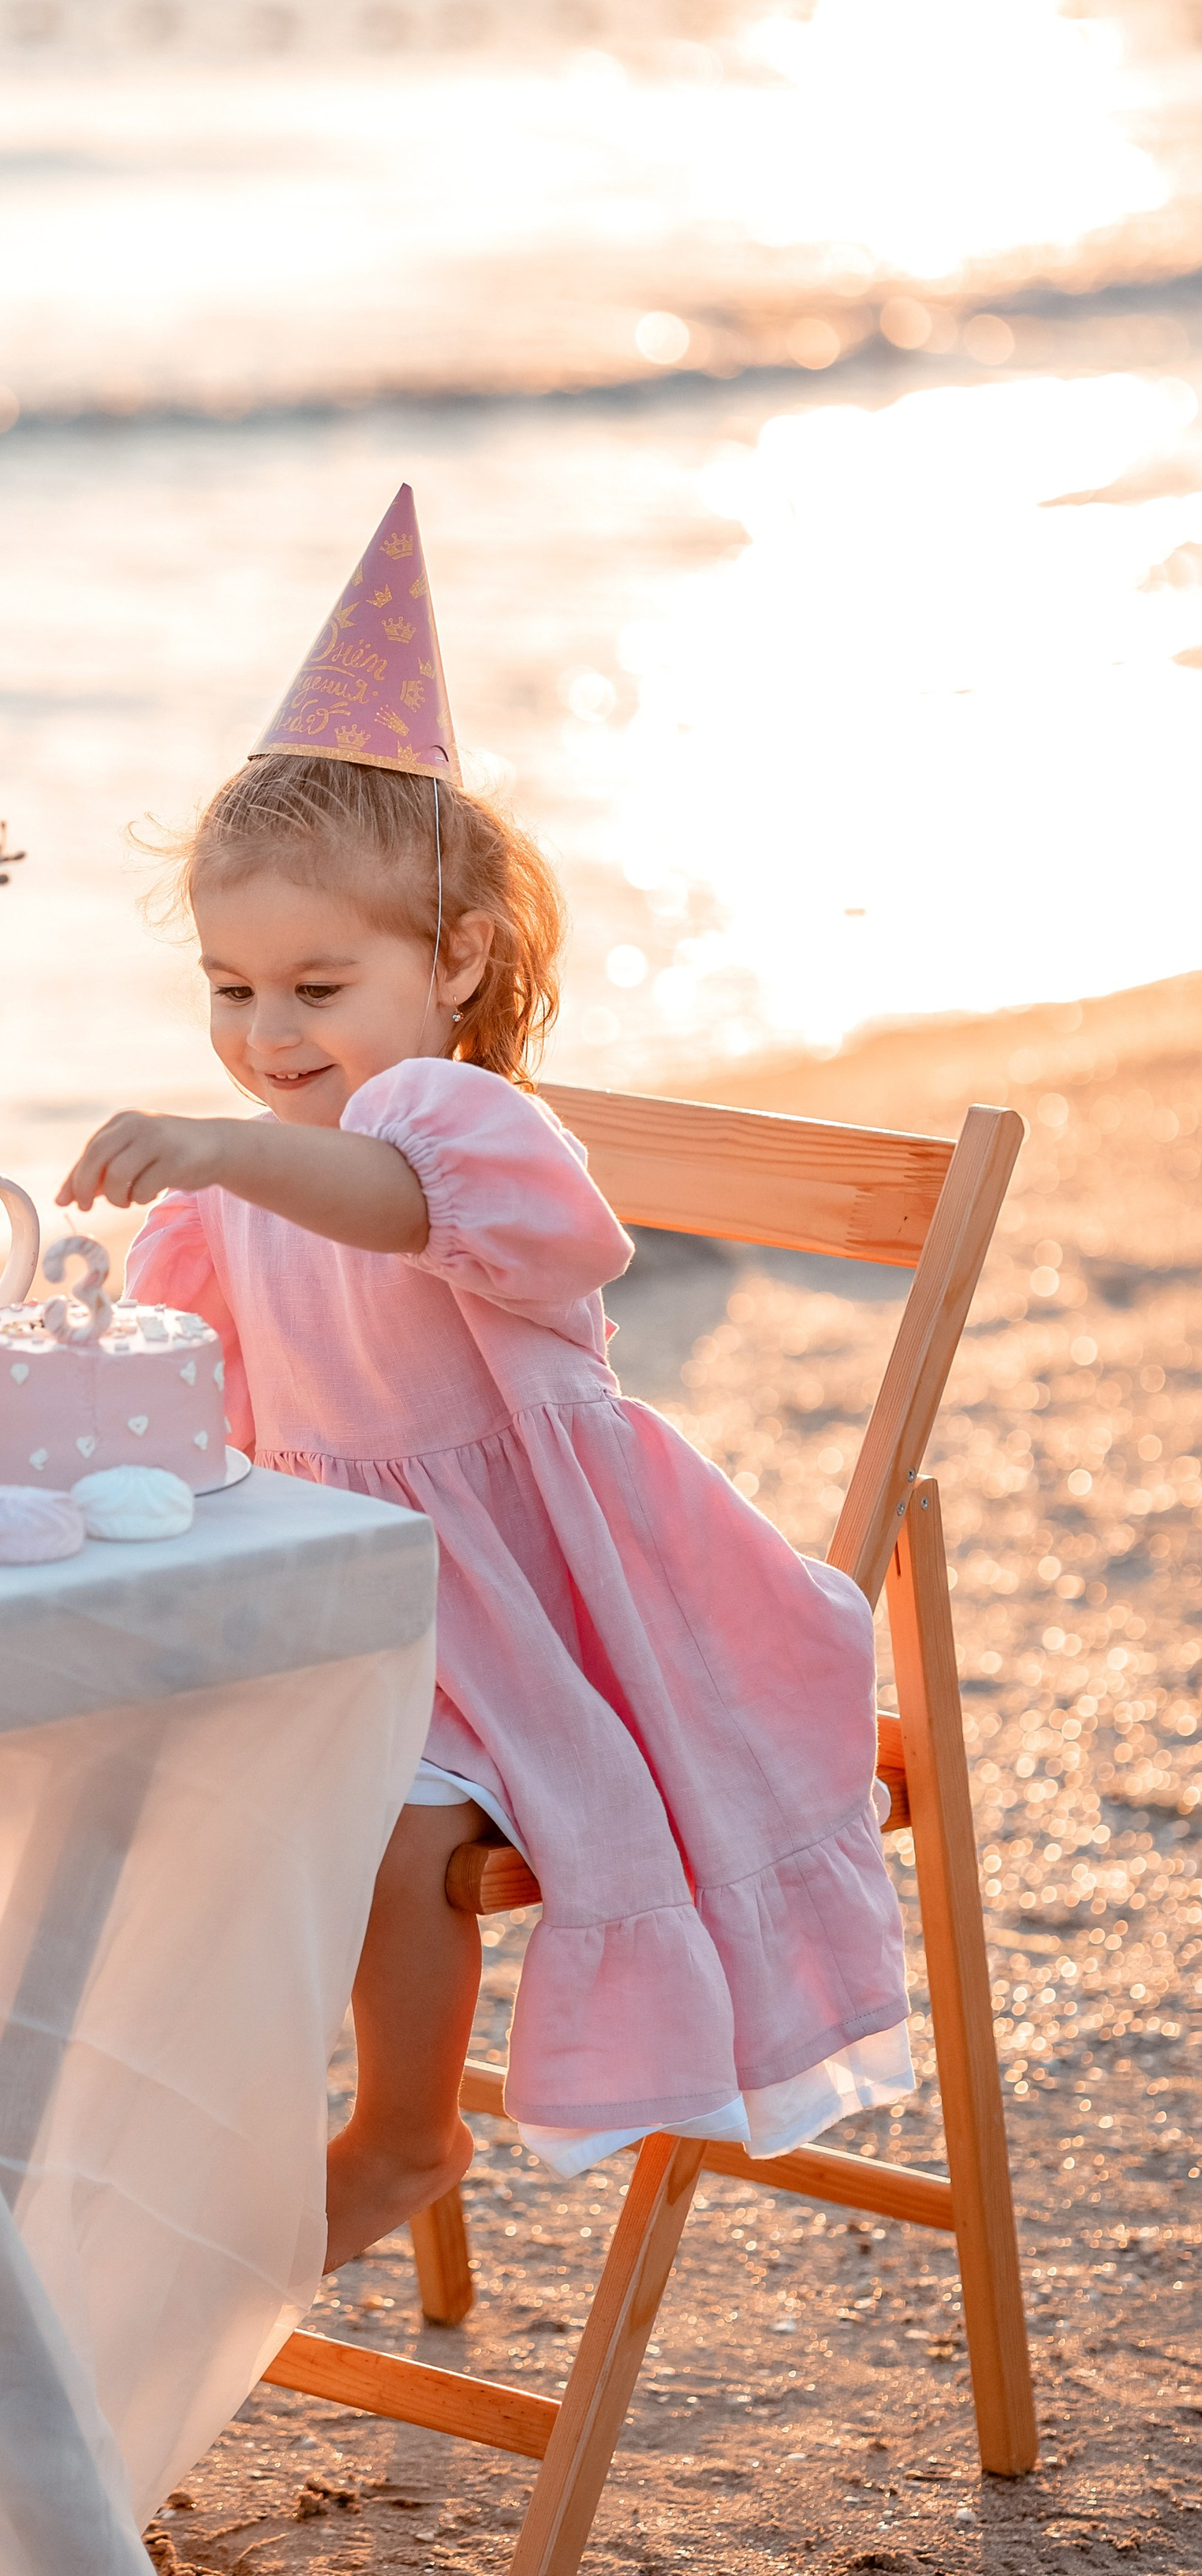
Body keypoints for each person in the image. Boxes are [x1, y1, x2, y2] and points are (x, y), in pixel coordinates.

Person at [58, 485, 912, 2274]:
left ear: (448, 961)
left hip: (540, 1601)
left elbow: (392, 1210)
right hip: (338, 1574)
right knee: (137, 1758)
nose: (266, 1033)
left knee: (393, 1807)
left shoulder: (445, 1123)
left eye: (313, 982)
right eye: (227, 987)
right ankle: (144, 2135)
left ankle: (398, 2131)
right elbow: (190, 1382)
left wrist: (221, 1145)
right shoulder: (265, 1165)